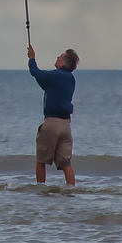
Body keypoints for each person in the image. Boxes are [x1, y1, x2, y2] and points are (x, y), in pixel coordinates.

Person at [27, 45, 79, 186]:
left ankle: (40, 188)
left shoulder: (55, 76)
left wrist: (32, 58)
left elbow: (35, 73)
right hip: (66, 126)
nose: (57, 57)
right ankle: (71, 190)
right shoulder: (71, 79)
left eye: (60, 56)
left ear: (64, 62)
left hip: (52, 123)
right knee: (66, 163)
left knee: (41, 160)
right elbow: (46, 83)